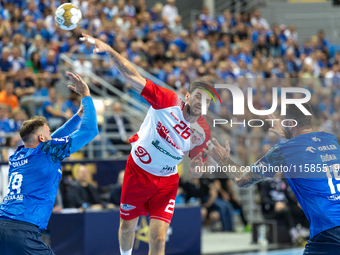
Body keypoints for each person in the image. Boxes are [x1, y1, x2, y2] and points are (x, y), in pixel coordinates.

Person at [80, 33, 212, 255]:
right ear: (188, 95)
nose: (201, 103)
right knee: (127, 227)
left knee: (159, 239)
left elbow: (197, 168)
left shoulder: (202, 132)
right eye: (198, 97)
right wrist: (111, 51)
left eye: (206, 100)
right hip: (139, 172)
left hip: (167, 181)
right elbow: (132, 76)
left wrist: (204, 162)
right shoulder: (168, 100)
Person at [204, 103, 340, 254]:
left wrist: (223, 160)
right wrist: (288, 134)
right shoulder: (330, 139)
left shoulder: (284, 151)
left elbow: (241, 179)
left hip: (329, 230)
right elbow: (305, 144)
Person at [0, 72, 99, 255]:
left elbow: (55, 138)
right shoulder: (46, 151)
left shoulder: (18, 155)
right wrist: (86, 97)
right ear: (40, 137)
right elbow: (90, 130)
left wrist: (77, 115)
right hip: (24, 231)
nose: (51, 135)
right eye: (47, 133)